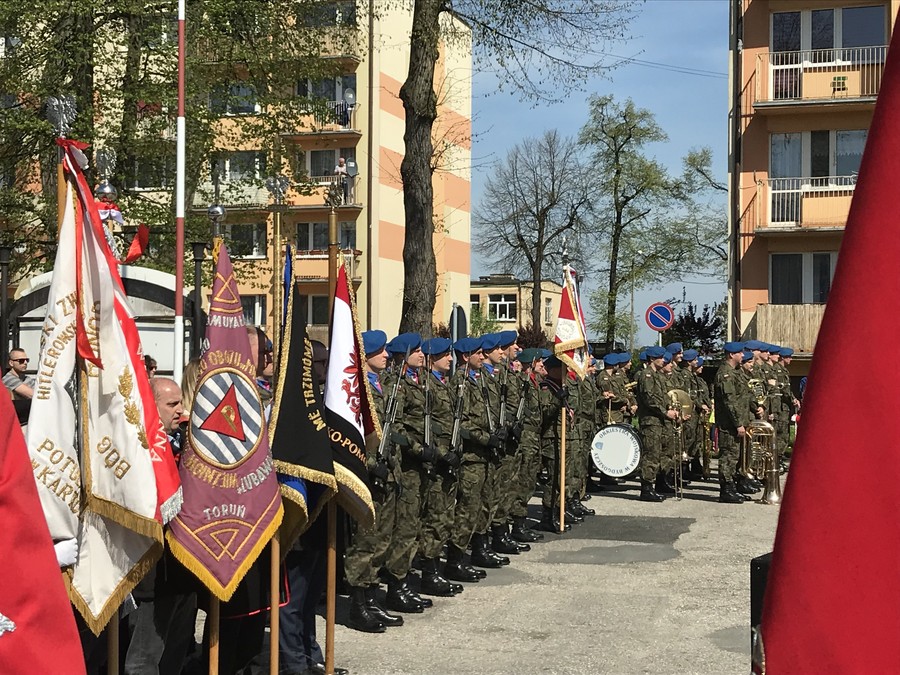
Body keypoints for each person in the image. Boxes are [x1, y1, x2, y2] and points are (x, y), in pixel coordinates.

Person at [124, 378, 198, 675]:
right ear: (151, 406)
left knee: (174, 658)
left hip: (185, 569)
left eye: (181, 402)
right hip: (153, 575)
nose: (181, 410)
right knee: (143, 660)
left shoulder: (188, 444)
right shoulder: (136, 449)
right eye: (172, 404)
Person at [714, 342, 751, 504]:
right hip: (728, 424)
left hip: (735, 422)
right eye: (740, 353)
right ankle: (726, 490)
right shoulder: (725, 374)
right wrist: (738, 423)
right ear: (731, 355)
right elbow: (729, 402)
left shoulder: (734, 373)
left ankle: (733, 487)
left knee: (735, 456)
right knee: (728, 456)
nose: (742, 355)